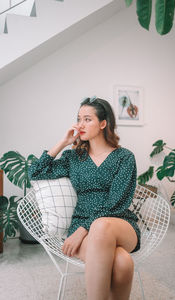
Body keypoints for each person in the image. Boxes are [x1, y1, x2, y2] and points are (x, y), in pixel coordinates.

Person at [28, 97, 140, 300]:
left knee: (101, 225)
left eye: (87, 119)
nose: (80, 124)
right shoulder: (74, 158)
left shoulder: (125, 157)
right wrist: (63, 143)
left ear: (103, 124)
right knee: (122, 261)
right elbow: (36, 172)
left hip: (119, 223)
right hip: (84, 227)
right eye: (79, 118)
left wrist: (82, 230)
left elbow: (116, 203)